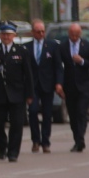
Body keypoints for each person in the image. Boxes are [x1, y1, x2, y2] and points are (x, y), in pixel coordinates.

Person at [0, 22, 34, 162]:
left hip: (17, 94)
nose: (6, 37)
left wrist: (30, 94)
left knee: (16, 124)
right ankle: (2, 146)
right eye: (3, 34)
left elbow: (28, 75)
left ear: (14, 35)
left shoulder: (21, 51)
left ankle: (13, 152)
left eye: (9, 34)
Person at [55, 22, 89, 152]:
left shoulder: (88, 46)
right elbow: (59, 67)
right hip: (69, 87)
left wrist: (82, 61)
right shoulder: (62, 47)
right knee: (73, 115)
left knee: (81, 113)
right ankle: (77, 139)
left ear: (80, 34)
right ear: (68, 34)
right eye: (72, 34)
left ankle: (80, 140)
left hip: (84, 86)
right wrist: (59, 84)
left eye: (76, 35)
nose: (74, 37)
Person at [27, 20, 61, 154]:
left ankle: (45, 142)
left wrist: (58, 83)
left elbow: (58, 67)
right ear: (32, 32)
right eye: (38, 31)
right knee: (33, 111)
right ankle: (35, 140)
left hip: (47, 85)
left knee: (47, 114)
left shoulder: (52, 46)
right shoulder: (26, 47)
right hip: (32, 86)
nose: (41, 34)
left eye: (42, 31)